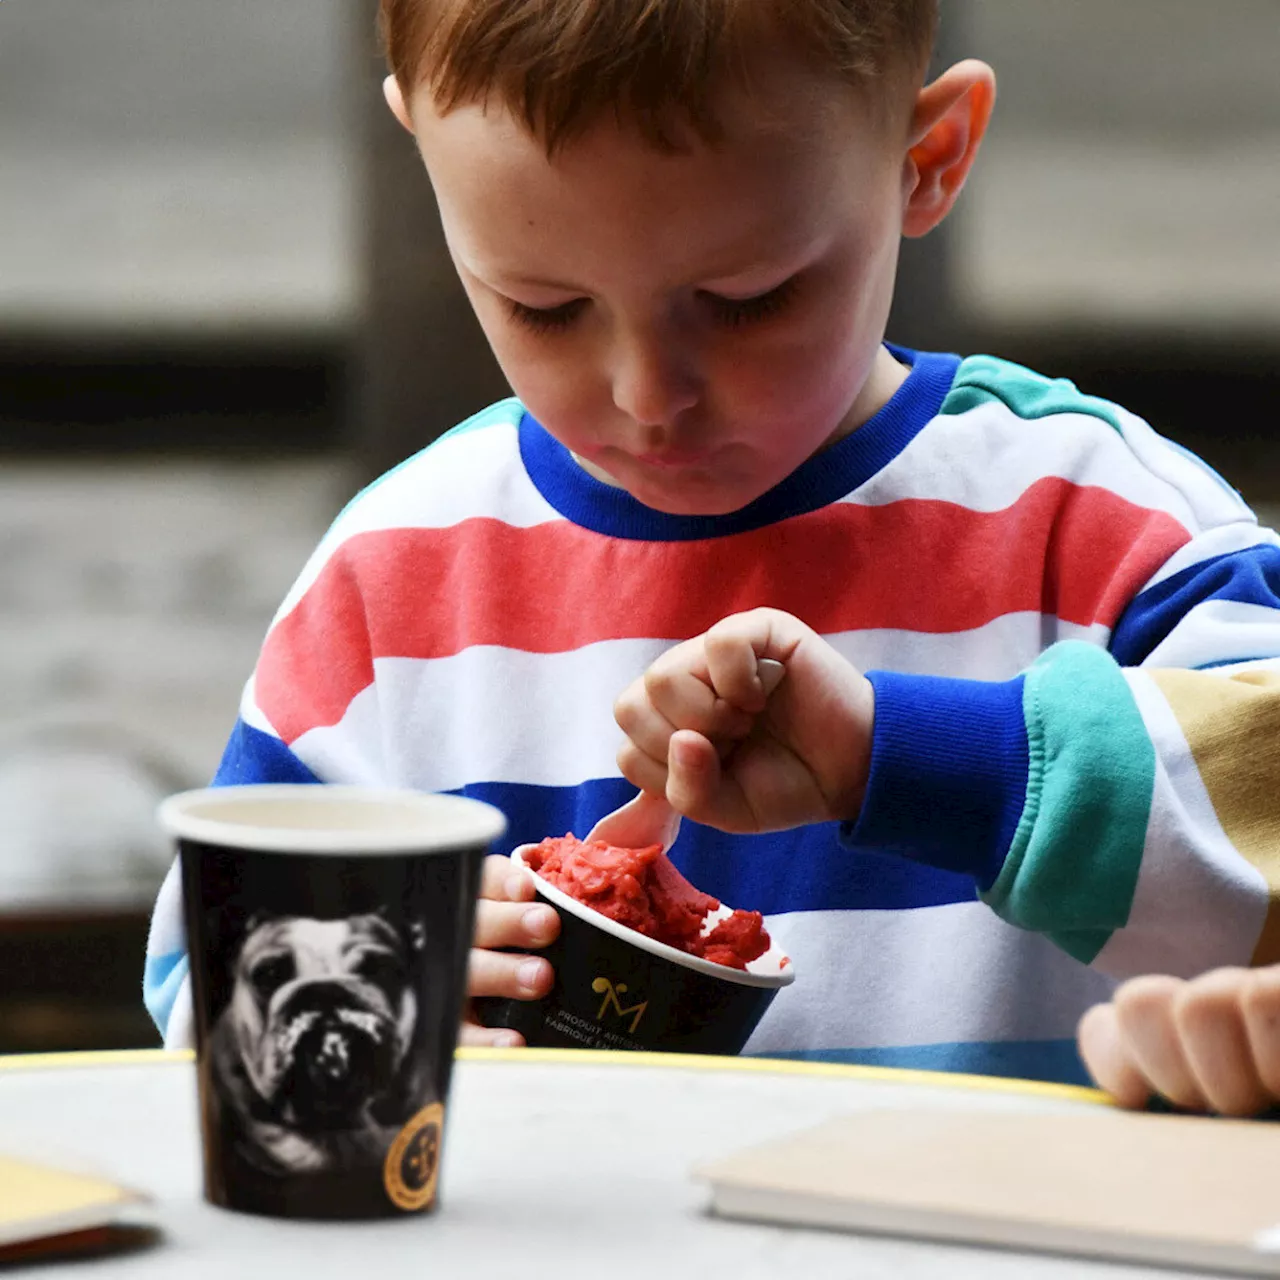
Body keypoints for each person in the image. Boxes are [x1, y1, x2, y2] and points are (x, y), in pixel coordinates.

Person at [144, 0, 1280, 1091]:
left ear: (925, 155)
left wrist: (913, 759)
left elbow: (1258, 812)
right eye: (542, 306)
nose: (647, 395)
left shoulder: (1107, 528)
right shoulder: (396, 574)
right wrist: (363, 977)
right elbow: (203, 962)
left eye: (746, 299)